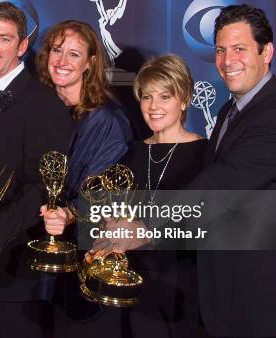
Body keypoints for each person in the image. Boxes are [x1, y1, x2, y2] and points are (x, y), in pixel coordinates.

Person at [186, 5, 276, 338]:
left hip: (270, 306)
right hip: (231, 299)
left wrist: (146, 222)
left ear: (267, 52)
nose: (228, 60)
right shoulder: (229, 110)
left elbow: (221, 186)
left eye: (240, 49)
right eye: (220, 50)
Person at [0, 2, 74, 338]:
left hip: (14, 273)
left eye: (4, 39)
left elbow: (45, 185)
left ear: (23, 46)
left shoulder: (43, 104)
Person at [34, 20, 132, 337]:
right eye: (57, 50)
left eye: (74, 54)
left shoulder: (108, 120)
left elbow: (106, 196)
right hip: (29, 266)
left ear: (90, 63)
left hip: (79, 271)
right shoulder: (37, 109)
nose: (62, 62)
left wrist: (71, 212)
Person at [115, 54, 209, 338]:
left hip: (186, 286)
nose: (154, 107)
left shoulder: (207, 154)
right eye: (146, 97)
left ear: (184, 100)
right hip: (135, 286)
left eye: (165, 96)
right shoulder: (130, 153)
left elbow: (209, 225)